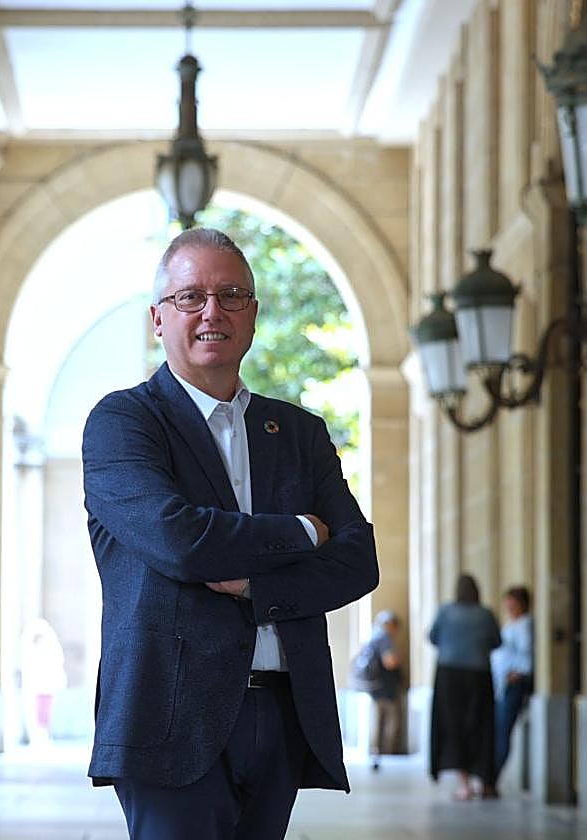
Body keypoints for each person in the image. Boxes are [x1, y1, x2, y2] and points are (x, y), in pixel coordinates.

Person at [81, 228, 378, 840]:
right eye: (190, 297)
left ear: (252, 315)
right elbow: (178, 541)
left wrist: (254, 588)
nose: (211, 311)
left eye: (231, 294)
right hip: (167, 717)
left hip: (282, 713)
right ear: (158, 319)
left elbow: (358, 559)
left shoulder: (298, 432)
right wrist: (301, 531)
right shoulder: (123, 422)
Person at [427, 573, 501, 800]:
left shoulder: (446, 611)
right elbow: (497, 641)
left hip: (450, 675)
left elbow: (432, 637)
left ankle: (464, 784)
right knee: (482, 726)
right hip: (479, 675)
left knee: (454, 727)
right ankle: (486, 782)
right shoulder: (486, 614)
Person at [351, 610, 402, 771]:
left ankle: (375, 751)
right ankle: (386, 753)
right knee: (390, 720)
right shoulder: (384, 638)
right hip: (385, 687)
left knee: (376, 720)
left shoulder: (372, 636)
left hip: (373, 687)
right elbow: (390, 662)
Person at [491, 585, 533, 781]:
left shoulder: (525, 624)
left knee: (503, 730)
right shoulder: (512, 624)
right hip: (503, 684)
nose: (508, 605)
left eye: (513, 602)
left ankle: (493, 777)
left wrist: (519, 673)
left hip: (514, 682)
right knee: (499, 728)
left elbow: (527, 653)